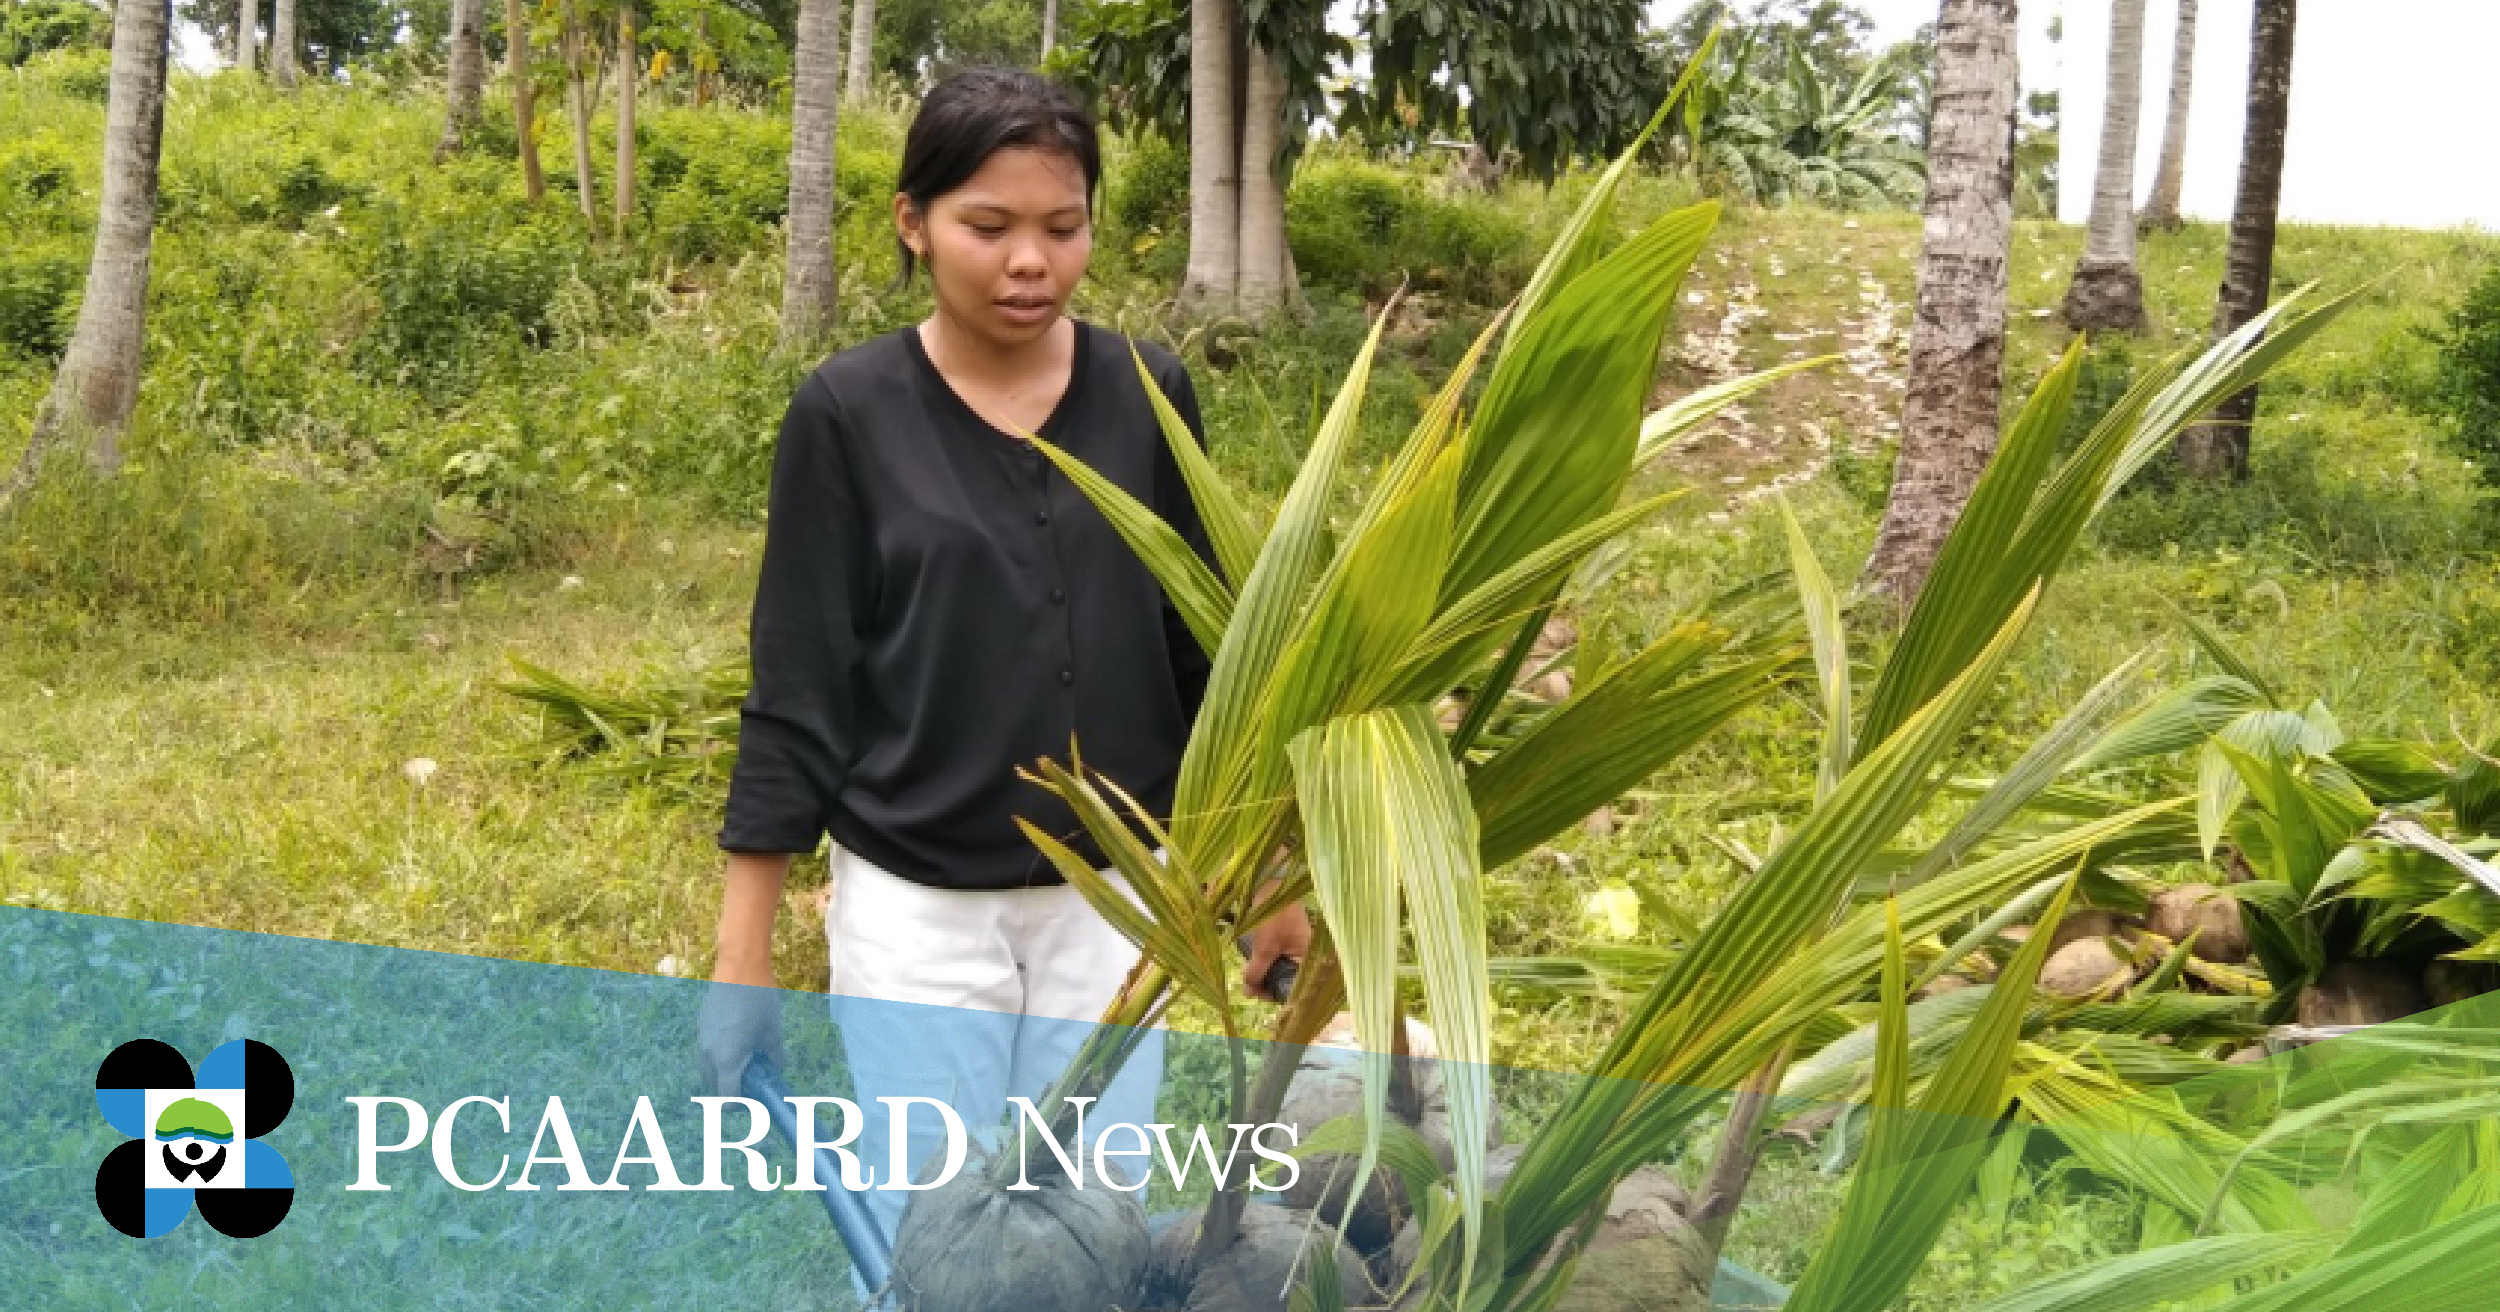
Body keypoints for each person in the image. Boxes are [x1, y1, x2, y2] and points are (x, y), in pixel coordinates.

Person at [693, 66, 1310, 1245]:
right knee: (938, 1239)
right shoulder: (847, 413)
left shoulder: (1148, 393)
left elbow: (1206, 661)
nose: (1030, 260)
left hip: (1117, 902)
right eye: (989, 226)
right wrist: (741, 960)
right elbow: (799, 693)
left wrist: (1270, 875)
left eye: (1061, 227)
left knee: (1095, 1227)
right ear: (913, 223)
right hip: (917, 907)